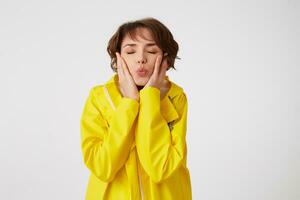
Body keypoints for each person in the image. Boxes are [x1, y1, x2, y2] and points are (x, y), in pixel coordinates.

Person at [80, 17, 192, 200]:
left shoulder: (176, 98)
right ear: (118, 57)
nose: (141, 59)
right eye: (131, 51)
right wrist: (130, 103)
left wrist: (149, 97)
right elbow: (103, 167)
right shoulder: (99, 98)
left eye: (152, 50)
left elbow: (160, 169)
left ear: (165, 58)